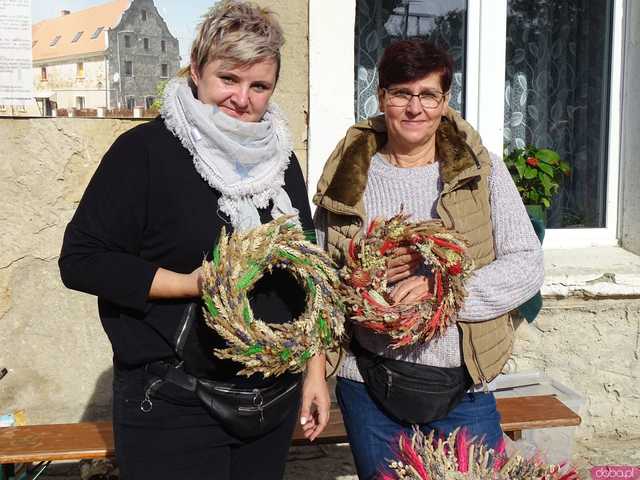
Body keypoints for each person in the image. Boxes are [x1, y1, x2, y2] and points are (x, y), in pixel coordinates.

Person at [59, 2, 329, 479]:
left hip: (270, 403)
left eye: (259, 85)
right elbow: (82, 260)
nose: (242, 99)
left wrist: (314, 373)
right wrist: (191, 284)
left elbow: (307, 272)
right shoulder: (145, 152)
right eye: (229, 79)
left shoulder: (281, 161)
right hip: (172, 404)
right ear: (198, 70)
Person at [313, 39, 543, 480]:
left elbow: (526, 263)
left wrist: (443, 294)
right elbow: (323, 283)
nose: (414, 107)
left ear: (444, 100)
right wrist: (364, 283)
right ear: (381, 97)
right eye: (401, 93)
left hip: (465, 387)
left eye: (428, 95)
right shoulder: (347, 178)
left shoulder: (480, 171)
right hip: (368, 385)